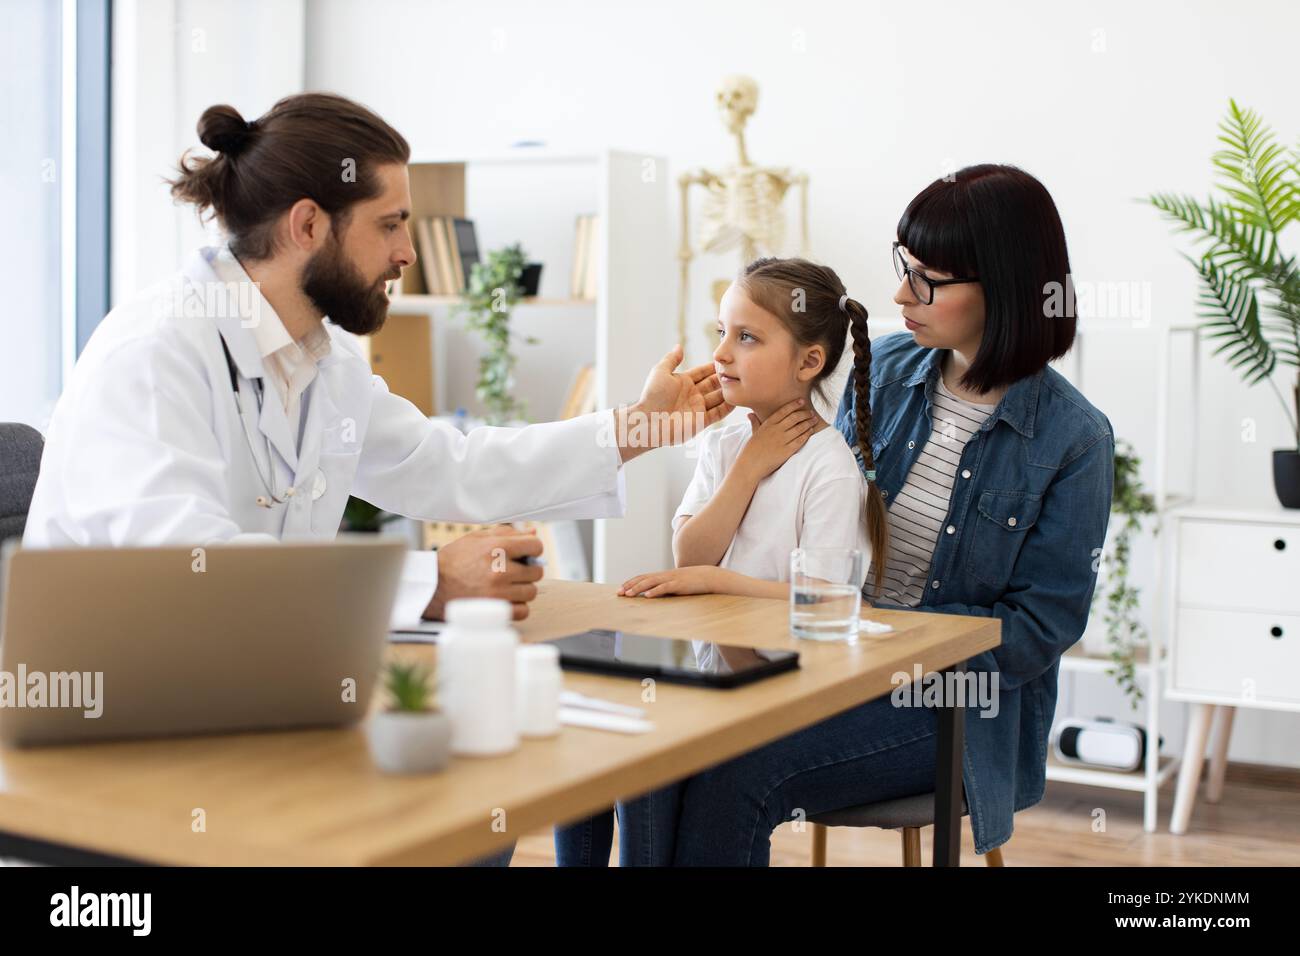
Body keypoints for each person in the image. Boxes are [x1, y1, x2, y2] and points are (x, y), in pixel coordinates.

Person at [23, 93, 732, 626]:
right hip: (120, 728)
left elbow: (450, 465)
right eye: (390, 224)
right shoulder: (155, 353)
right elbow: (191, 572)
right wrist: (427, 585)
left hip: (246, 685)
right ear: (307, 225)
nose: (407, 254)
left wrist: (641, 427)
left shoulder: (320, 364)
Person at [589, 163, 1114, 866]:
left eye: (928, 278)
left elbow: (1037, 631)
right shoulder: (888, 366)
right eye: (906, 266)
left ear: (1006, 285)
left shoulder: (1074, 438)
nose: (901, 292)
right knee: (653, 731)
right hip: (828, 662)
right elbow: (819, 520)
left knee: (737, 769)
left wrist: (883, 638)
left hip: (950, 707)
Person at [554, 256, 888, 865]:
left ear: (809, 362)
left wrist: (710, 583)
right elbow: (690, 549)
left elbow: (826, 604)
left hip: (782, 689)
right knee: (598, 731)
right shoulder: (728, 440)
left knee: (648, 752)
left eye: (748, 337)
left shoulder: (829, 467)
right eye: (721, 334)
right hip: (713, 672)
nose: (723, 355)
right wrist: (748, 465)